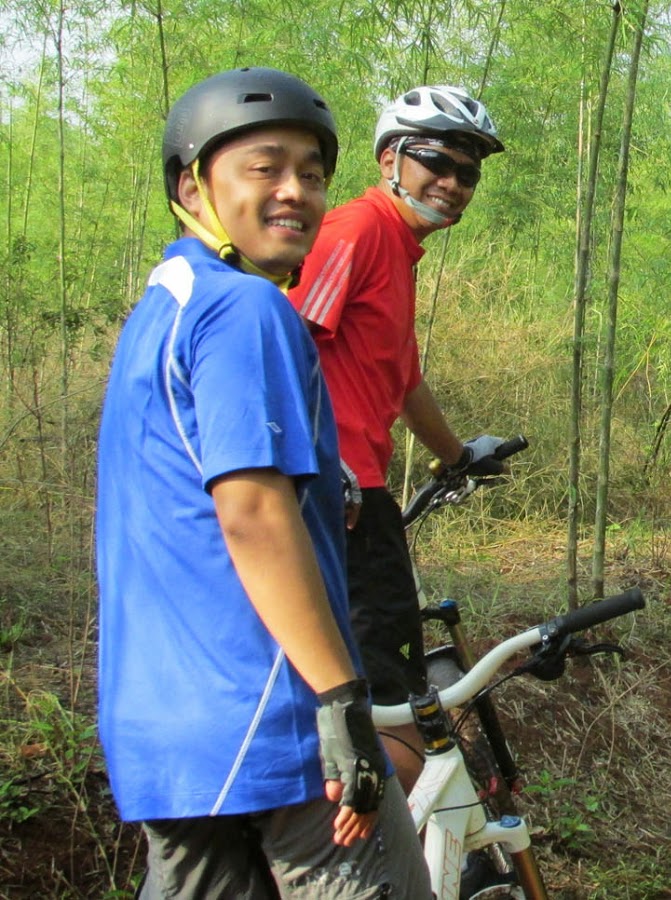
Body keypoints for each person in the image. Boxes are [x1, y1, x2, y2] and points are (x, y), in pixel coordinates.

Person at [96, 67, 429, 896]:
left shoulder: (159, 311)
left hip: (168, 740)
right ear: (192, 185)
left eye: (312, 175)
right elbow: (250, 512)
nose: (295, 192)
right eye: (265, 168)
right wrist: (340, 701)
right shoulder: (245, 308)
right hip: (275, 719)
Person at [289, 85, 511, 790]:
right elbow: (284, 341)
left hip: (363, 494)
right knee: (392, 699)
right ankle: (385, 840)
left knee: (385, 678)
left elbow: (404, 382)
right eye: (436, 162)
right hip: (342, 497)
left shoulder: (397, 249)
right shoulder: (355, 230)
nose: (452, 183)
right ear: (390, 159)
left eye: (467, 173)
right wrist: (316, 469)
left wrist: (459, 456)